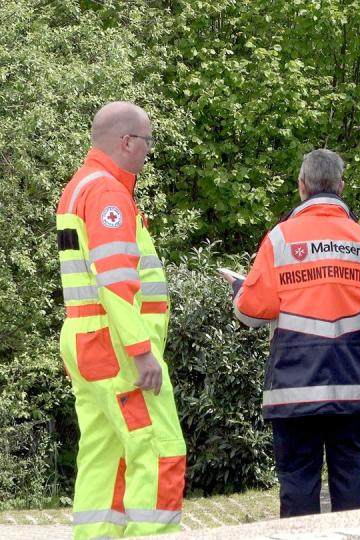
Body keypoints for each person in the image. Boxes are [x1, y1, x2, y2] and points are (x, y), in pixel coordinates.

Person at [223, 149, 360, 516]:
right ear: (340, 187)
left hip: (294, 390)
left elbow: (250, 309)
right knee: (350, 480)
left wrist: (238, 289)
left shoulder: (279, 240)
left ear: (301, 187)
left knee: (297, 485)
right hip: (352, 388)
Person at [56, 102, 186, 539]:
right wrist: (141, 351)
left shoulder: (79, 187)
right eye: (147, 142)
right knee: (158, 450)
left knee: (104, 454)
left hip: (88, 342)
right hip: (118, 350)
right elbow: (115, 279)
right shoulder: (108, 192)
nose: (149, 152)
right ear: (127, 141)